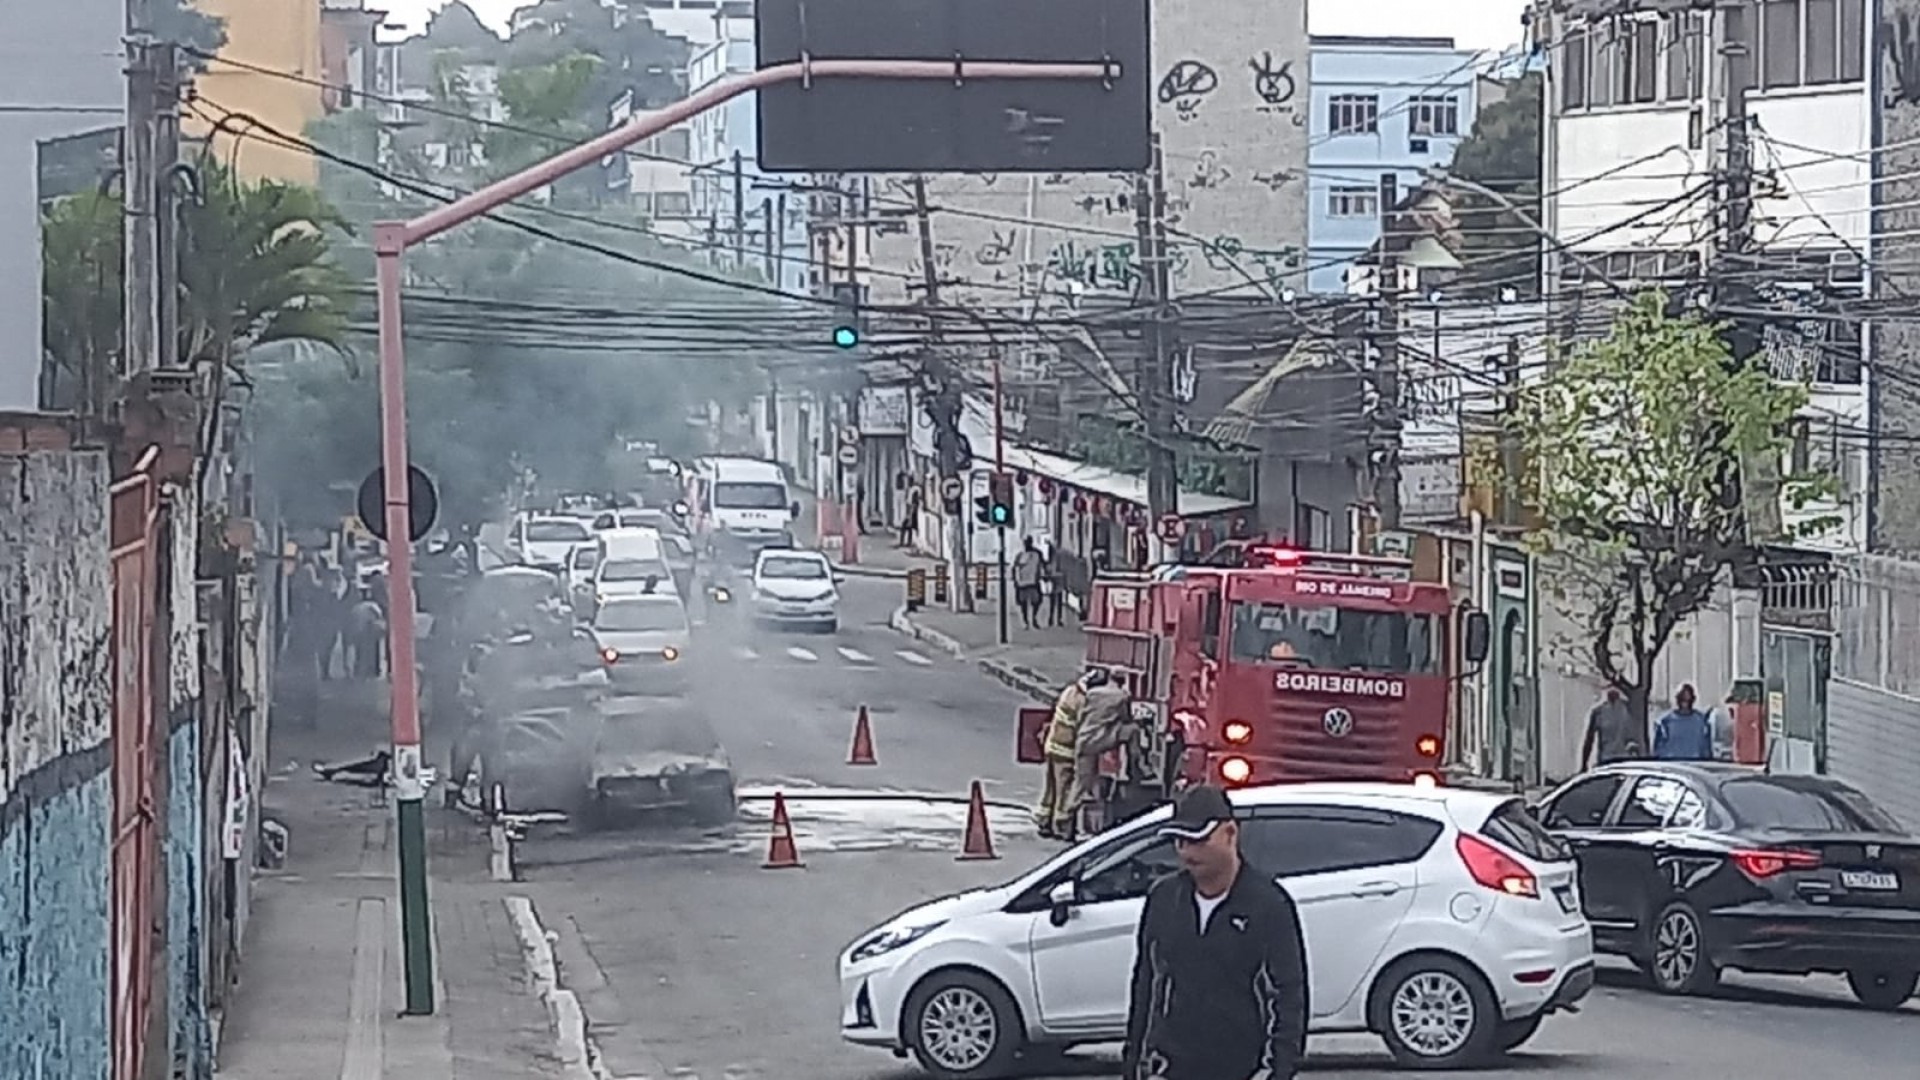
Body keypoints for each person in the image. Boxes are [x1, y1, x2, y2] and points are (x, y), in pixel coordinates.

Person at [1124, 784, 1308, 1080]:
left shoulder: (1269, 904)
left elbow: (1288, 997)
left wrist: (1278, 1070)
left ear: (1230, 833)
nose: (1187, 851)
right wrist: (1135, 1064)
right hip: (1172, 1067)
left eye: (1198, 840)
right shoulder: (1164, 899)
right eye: (1180, 841)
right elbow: (1146, 985)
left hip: (1243, 1069)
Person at [1035, 669, 1105, 839]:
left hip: (1053, 746)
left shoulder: (1070, 691)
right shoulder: (1082, 701)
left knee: (1051, 788)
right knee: (1064, 790)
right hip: (1065, 751)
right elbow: (1086, 726)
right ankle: (1061, 827)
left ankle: (1044, 822)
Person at [1580, 687, 1641, 769]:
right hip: (1607, 760)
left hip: (1623, 760)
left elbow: (1634, 738)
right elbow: (1589, 739)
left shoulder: (1628, 709)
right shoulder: (1598, 712)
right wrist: (1584, 763)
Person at [1654, 683, 1714, 761]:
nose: (1685, 702)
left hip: (1696, 765)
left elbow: (1706, 750)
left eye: (1688, 699)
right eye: (1682, 698)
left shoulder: (1702, 722)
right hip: (1671, 765)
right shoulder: (1665, 722)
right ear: (1676, 699)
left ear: (1693, 699)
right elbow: (1658, 751)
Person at [1012, 536, 1044, 628]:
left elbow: (1041, 566)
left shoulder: (1036, 554)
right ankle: (1027, 620)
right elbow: (1015, 568)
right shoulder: (1021, 555)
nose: (1027, 544)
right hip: (1024, 583)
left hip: (1032, 582)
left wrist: (1040, 576)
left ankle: (1032, 619)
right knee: (1024, 603)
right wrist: (1015, 580)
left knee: (1036, 601)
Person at [1041, 540, 1068, 627]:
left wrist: (1047, 576)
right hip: (1058, 579)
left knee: (1053, 601)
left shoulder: (1053, 558)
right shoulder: (1058, 556)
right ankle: (1056, 619)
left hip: (1055, 580)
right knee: (1057, 601)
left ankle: (1052, 618)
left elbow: (1050, 569)